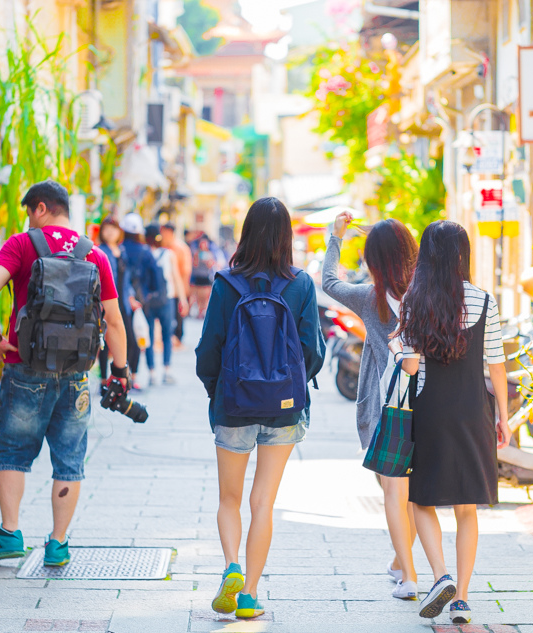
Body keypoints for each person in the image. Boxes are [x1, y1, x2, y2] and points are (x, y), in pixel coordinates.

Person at [0, 180, 130, 567]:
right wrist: (120, 371)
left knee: (12, 449)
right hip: (76, 371)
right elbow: (113, 321)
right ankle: (58, 543)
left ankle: (10, 532)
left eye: (29, 211)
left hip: (25, 365)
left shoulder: (22, 244)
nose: (28, 219)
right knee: (69, 458)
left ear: (40, 208)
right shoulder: (92, 253)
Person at [196, 197, 326, 620]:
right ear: (286, 236)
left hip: (233, 407)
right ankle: (250, 595)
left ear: (246, 232)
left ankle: (231, 565)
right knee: (263, 503)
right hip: (284, 412)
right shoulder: (301, 284)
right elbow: (313, 351)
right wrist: (288, 386)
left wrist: (220, 392)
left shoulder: (226, 283)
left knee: (229, 499)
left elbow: (207, 352)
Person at [392, 220, 511, 624]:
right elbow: (496, 364)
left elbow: (409, 367)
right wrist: (505, 419)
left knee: (420, 500)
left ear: (426, 254)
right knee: (466, 507)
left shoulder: (414, 300)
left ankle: (439, 574)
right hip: (473, 408)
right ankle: (460, 597)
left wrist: (397, 346)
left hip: (430, 410)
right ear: (463, 253)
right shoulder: (483, 299)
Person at [322, 211, 420, 601]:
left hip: (389, 406)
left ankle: (408, 574)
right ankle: (401, 562)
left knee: (393, 491)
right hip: (428, 403)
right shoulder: (428, 294)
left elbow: (329, 281)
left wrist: (337, 236)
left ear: (373, 261)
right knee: (413, 494)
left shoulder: (369, 298)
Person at [97, 216, 142, 380]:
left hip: (123, 302)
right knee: (103, 342)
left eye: (114, 228)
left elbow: (127, 278)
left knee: (130, 341)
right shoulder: (100, 251)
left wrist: (131, 296)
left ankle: (125, 376)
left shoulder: (122, 251)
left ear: (119, 231)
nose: (110, 232)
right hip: (106, 303)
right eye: (106, 228)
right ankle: (103, 379)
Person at [144, 223, 188, 385]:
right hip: (166, 299)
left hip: (147, 301)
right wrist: (182, 299)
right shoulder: (168, 254)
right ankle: (167, 370)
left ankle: (151, 372)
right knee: (166, 336)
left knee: (148, 337)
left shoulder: (144, 254)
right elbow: (175, 277)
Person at [119, 212, 160, 387]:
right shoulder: (146, 251)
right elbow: (156, 277)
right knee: (142, 336)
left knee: (121, 337)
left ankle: (118, 375)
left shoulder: (118, 249)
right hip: (141, 301)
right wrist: (150, 293)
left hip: (119, 299)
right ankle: (139, 375)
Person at [161, 222, 192, 344]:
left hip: (178, 288)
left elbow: (185, 272)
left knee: (178, 315)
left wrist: (182, 293)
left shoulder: (181, 248)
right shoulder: (162, 245)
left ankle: (178, 338)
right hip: (166, 288)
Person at [190, 236, 217, 318]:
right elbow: (194, 265)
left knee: (205, 295)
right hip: (198, 276)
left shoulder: (210, 254)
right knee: (198, 295)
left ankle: (204, 310)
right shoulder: (197, 253)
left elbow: (212, 265)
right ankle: (200, 311)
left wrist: (207, 261)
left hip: (206, 277)